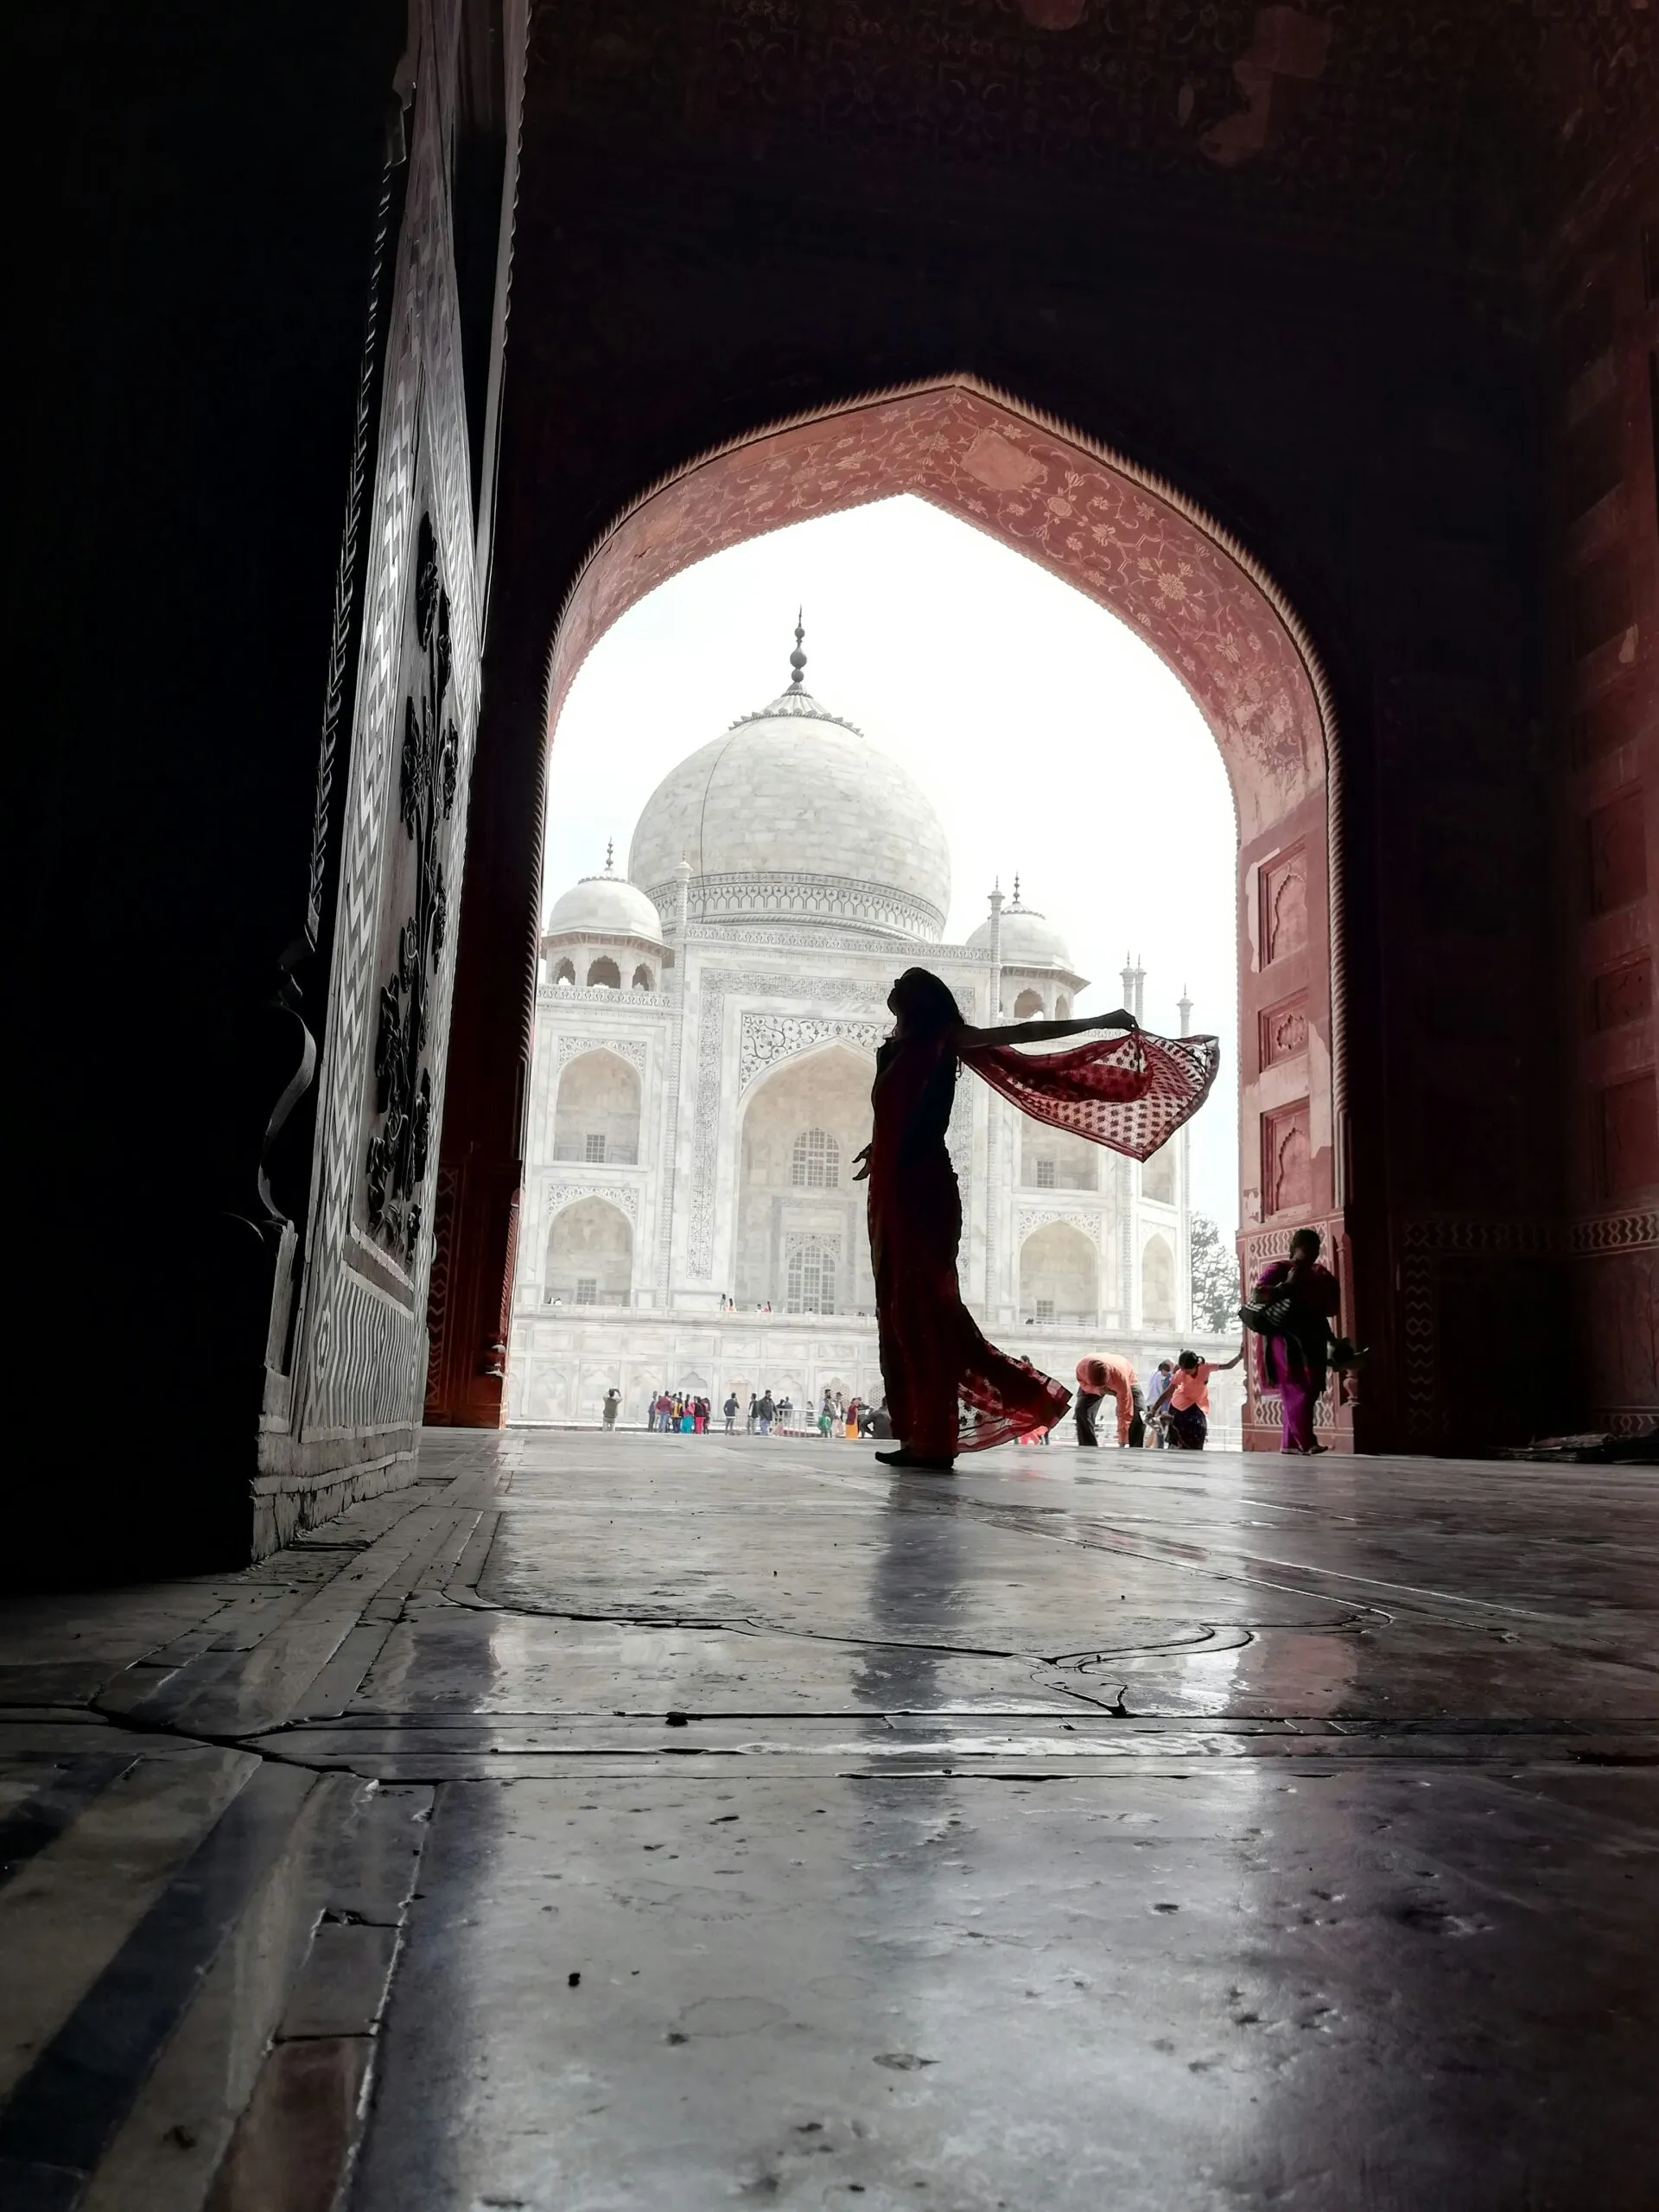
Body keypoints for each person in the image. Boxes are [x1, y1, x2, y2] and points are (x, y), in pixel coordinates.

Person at [856, 968, 1214, 1471]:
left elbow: (1023, 1037)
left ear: (918, 999)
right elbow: (896, 1112)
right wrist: (879, 1149)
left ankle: (941, 1436)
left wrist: (1101, 1020)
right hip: (892, 1186)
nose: (891, 989)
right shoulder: (896, 1044)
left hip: (923, 1188)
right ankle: (919, 1433)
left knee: (927, 1312)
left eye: (902, 985)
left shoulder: (945, 1037)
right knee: (899, 1311)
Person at [1250, 1226, 1345, 1454]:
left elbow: (1319, 1311)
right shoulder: (1280, 1269)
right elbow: (1257, 1295)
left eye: (1315, 1251)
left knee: (1310, 1389)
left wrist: (1332, 1340)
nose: (1312, 1255)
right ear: (1295, 1249)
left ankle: (1290, 1444)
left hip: (1312, 1339)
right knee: (1297, 1389)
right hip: (1285, 1342)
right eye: (1307, 1250)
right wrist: (1287, 1286)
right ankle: (1307, 1442)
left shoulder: (1316, 1274)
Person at [1148, 1344, 1243, 1450]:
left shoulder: (1205, 1367)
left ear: (1195, 1366)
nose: (1185, 1372)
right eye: (1183, 1369)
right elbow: (1167, 1393)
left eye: (1187, 1370)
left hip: (1197, 1404)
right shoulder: (1181, 1373)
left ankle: (1170, 1420)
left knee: (1199, 1428)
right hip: (1180, 1404)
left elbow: (1228, 1365)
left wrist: (1240, 1356)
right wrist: (1153, 1410)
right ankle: (1170, 1420)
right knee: (1178, 1436)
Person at [1073, 1354, 1139, 1447]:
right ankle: (1088, 1447)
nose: (1102, 1388)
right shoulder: (1081, 1369)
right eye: (1099, 1385)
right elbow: (1083, 1383)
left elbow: (1124, 1410)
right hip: (1090, 1385)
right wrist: (1097, 1390)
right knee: (1081, 1411)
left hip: (1127, 1375)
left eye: (1103, 1385)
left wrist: (1122, 1440)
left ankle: (1134, 1448)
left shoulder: (1120, 1378)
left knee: (1138, 1413)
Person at [1147, 1362, 1175, 1446]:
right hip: (1165, 1407)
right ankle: (1158, 1445)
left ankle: (1157, 1445)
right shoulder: (1167, 1378)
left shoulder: (1161, 1377)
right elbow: (1161, 1393)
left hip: (1163, 1407)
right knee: (1163, 1427)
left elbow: (1162, 1394)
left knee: (1159, 1428)